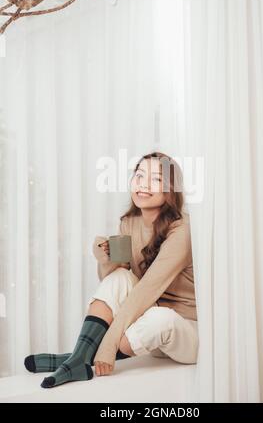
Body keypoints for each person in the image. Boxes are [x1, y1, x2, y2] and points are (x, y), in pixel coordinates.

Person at [24, 151, 198, 388]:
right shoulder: (129, 222)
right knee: (120, 277)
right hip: (146, 332)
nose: (144, 184)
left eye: (156, 179)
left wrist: (109, 341)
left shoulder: (182, 229)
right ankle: (79, 359)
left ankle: (76, 357)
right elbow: (115, 281)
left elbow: (147, 289)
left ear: (171, 190)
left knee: (161, 317)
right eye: (140, 175)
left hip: (183, 333)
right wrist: (103, 259)